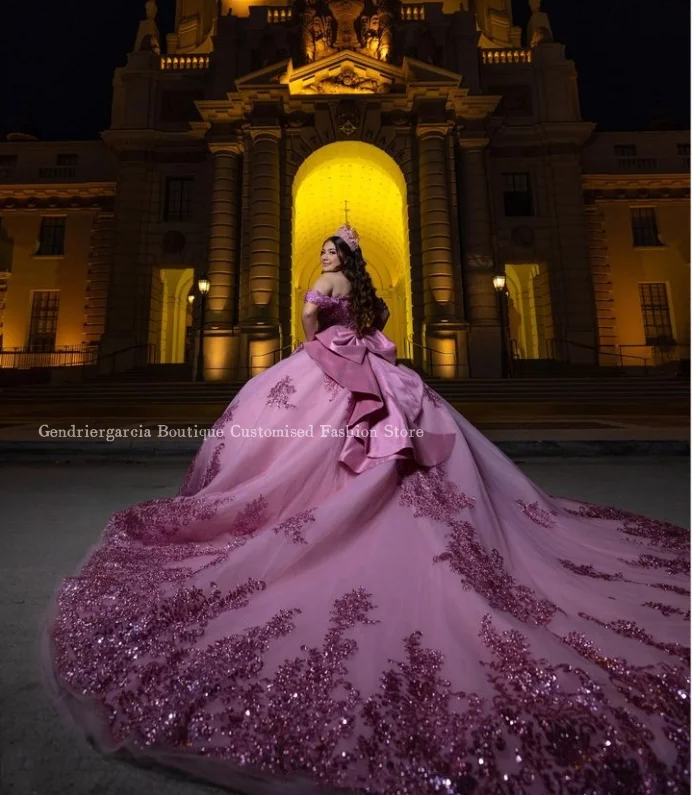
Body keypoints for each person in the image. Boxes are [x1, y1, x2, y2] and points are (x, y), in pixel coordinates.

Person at [40, 223, 690, 795]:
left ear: (338, 262)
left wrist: (314, 315)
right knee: (397, 454)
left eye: (329, 251)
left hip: (330, 370)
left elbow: (306, 328)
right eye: (325, 250)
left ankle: (311, 517)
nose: (324, 257)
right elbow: (370, 330)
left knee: (287, 453)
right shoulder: (360, 296)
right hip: (367, 369)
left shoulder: (323, 286)